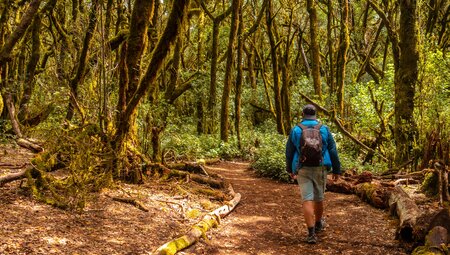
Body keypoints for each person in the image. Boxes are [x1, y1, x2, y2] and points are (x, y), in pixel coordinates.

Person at [285, 104, 341, 244]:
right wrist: (336, 169)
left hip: (302, 167)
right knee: (319, 197)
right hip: (320, 167)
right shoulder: (324, 129)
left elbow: (289, 152)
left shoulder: (296, 129)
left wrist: (290, 169)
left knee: (307, 198)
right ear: (315, 114)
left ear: (303, 114)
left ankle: (311, 234)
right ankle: (318, 224)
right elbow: (333, 150)